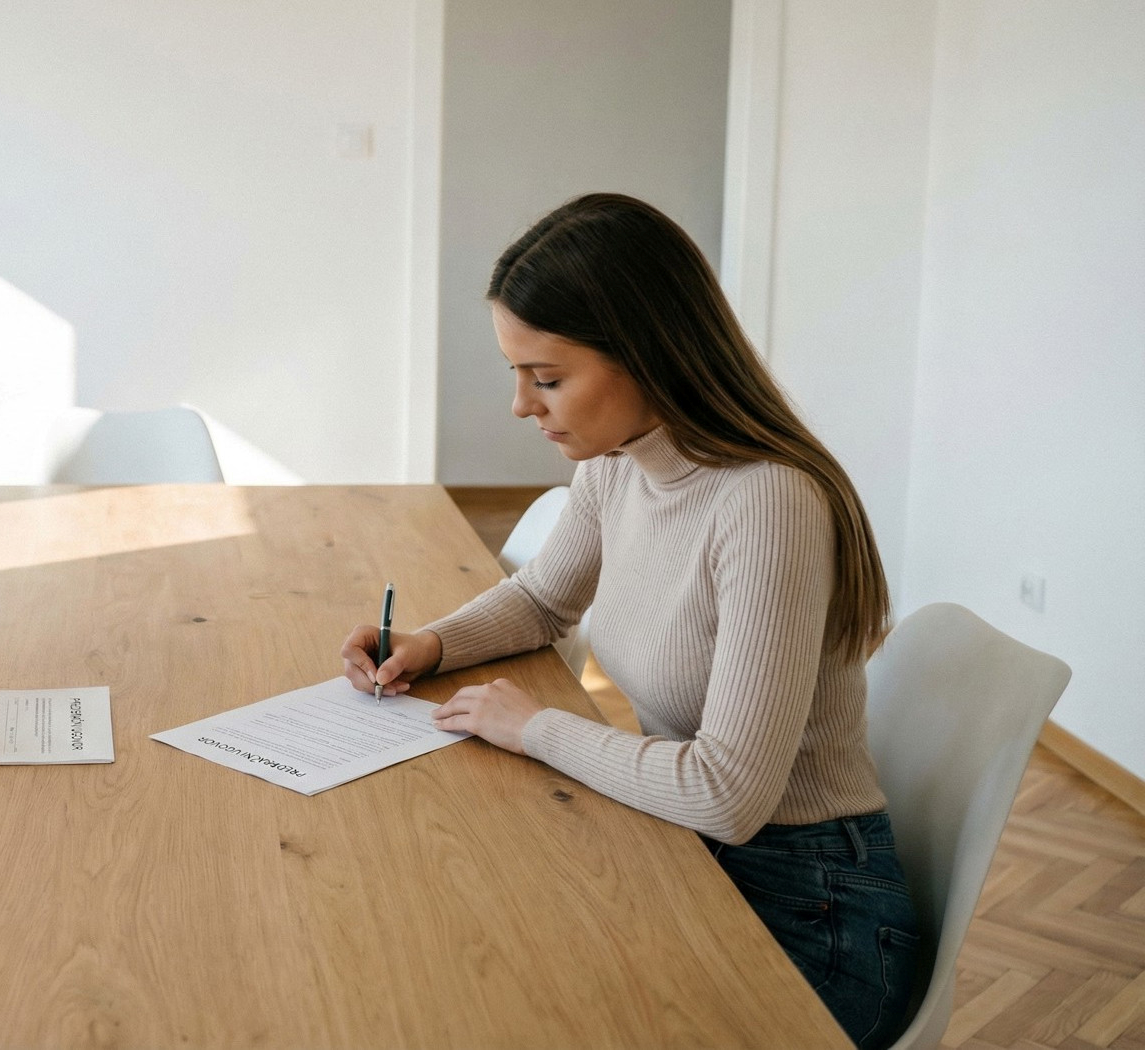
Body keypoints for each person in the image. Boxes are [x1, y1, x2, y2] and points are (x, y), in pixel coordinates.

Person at [340, 194, 920, 1049]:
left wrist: (534, 726)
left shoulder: (768, 505)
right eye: (517, 374)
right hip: (691, 847)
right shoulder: (621, 465)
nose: (521, 406)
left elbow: (728, 795)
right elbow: (543, 601)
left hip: (809, 909)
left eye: (547, 377)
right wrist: (428, 643)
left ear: (649, 354)